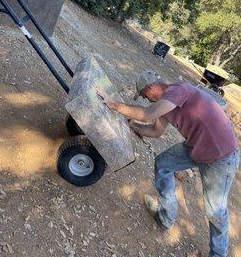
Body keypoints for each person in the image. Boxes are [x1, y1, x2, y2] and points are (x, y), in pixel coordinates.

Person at [97, 71, 239, 257]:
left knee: (215, 212)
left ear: (151, 88)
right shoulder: (165, 105)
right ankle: (165, 217)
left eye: (144, 95)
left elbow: (147, 115)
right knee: (163, 163)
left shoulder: (178, 92)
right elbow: (156, 131)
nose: (145, 99)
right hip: (197, 147)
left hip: (221, 157)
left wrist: (113, 104)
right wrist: (131, 125)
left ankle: (218, 254)